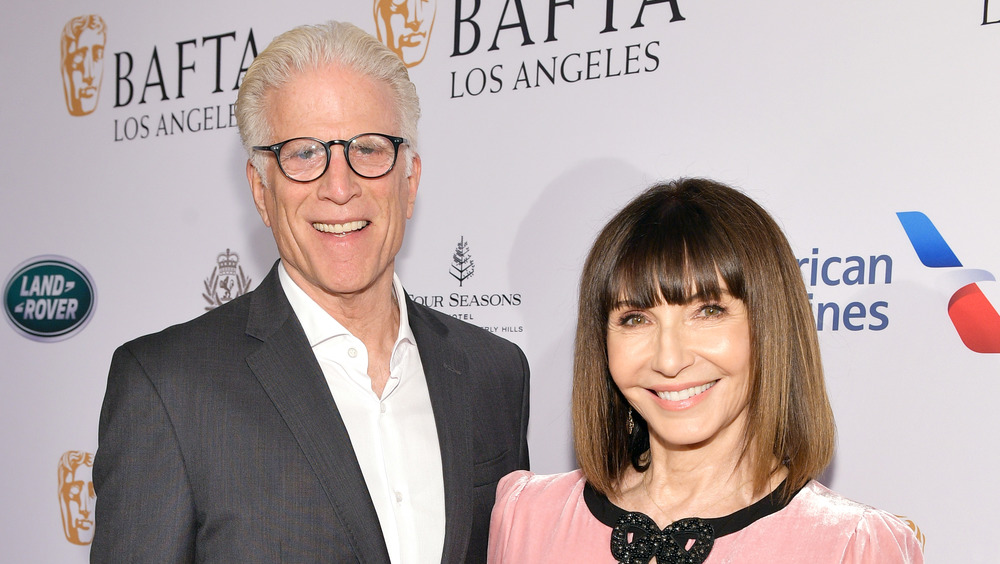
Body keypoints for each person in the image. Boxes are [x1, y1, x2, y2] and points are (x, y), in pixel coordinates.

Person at [91, 21, 529, 564]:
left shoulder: (495, 372)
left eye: (368, 149)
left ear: (410, 181)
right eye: (302, 154)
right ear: (260, 190)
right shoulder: (169, 387)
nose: (339, 187)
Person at [488, 179, 923, 563]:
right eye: (635, 318)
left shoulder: (850, 546)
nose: (670, 359)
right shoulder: (527, 516)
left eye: (709, 311)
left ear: (771, 325)